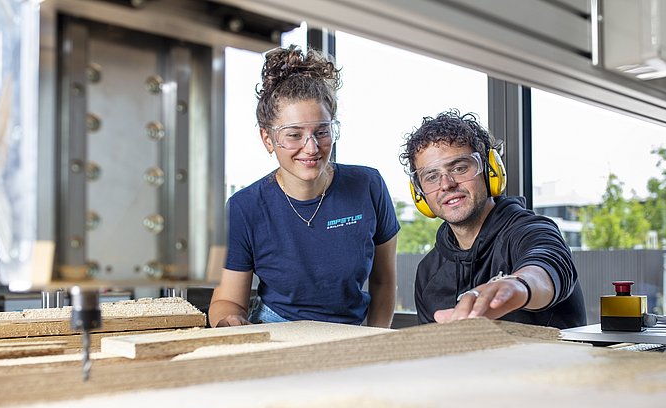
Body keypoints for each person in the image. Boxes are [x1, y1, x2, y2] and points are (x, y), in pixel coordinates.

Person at [208, 46, 399, 328]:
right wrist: (230, 321)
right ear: (267, 138)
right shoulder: (242, 207)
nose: (311, 148)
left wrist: (375, 342)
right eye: (294, 135)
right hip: (276, 331)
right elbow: (226, 301)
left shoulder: (369, 186)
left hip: (351, 332)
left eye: (321, 132)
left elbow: (384, 283)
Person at [399, 109, 585, 329]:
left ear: (490, 170)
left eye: (459, 168)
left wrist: (518, 286)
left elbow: (547, 266)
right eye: (431, 176)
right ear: (419, 193)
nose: (446, 184)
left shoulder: (530, 230)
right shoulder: (428, 271)